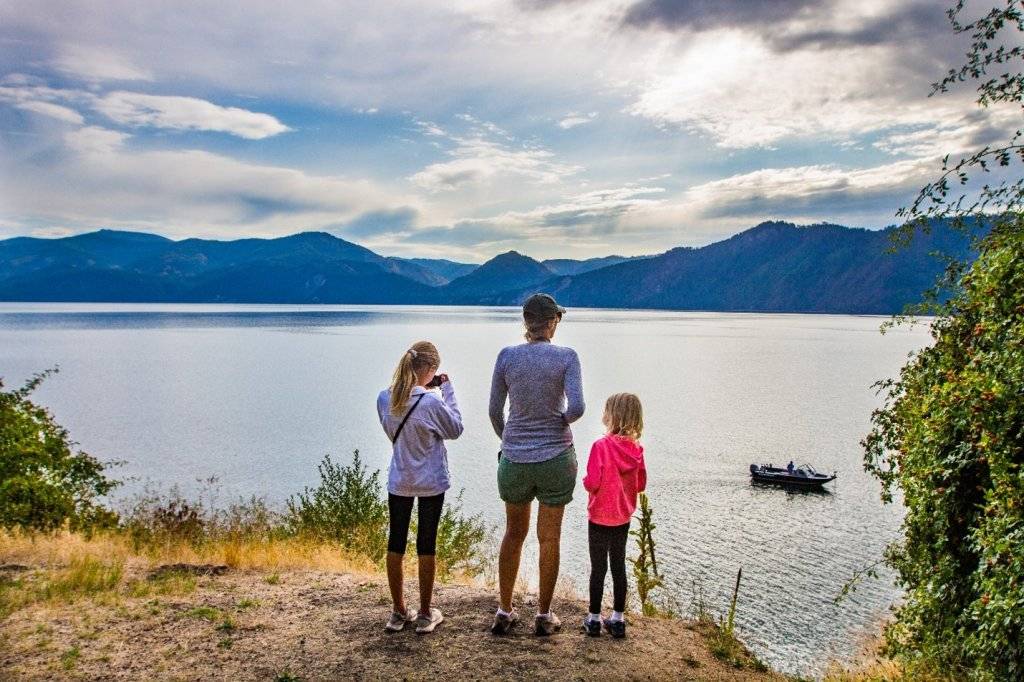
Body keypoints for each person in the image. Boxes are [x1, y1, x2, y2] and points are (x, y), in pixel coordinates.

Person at [488, 293, 584, 636]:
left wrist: (509, 439)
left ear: (526, 322)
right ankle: (543, 616)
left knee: (514, 534)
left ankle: (504, 609)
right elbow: (578, 407)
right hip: (556, 457)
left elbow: (494, 412)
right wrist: (560, 420)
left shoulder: (506, 357)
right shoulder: (566, 357)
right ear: (552, 322)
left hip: (514, 459)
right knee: (550, 538)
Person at [376, 341, 463, 634]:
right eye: (434, 370)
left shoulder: (384, 398)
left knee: (395, 542)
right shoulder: (431, 401)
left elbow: (392, 432)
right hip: (430, 481)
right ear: (428, 369)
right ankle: (425, 613)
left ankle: (399, 611)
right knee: (427, 544)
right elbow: (455, 429)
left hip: (400, 479)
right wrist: (447, 389)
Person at [582, 393, 647, 639]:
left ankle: (594, 618)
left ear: (612, 416)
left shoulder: (600, 446)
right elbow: (640, 484)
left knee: (598, 568)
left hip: (599, 516)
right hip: (622, 517)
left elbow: (592, 483)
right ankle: (618, 619)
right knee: (618, 566)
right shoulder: (637, 450)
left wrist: (585, 481)